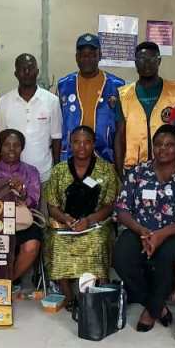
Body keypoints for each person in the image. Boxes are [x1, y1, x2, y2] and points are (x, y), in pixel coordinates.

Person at [114, 125, 175, 332]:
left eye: (169, 145)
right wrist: (141, 231)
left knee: (167, 256)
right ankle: (157, 305)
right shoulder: (138, 172)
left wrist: (161, 234)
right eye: (159, 144)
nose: (163, 149)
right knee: (121, 256)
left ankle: (150, 311)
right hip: (141, 230)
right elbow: (122, 209)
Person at [43, 125, 118, 309]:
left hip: (95, 223)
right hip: (66, 224)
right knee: (56, 241)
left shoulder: (106, 169)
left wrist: (89, 220)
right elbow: (52, 206)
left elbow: (109, 206)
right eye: (77, 142)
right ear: (70, 144)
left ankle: (97, 293)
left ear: (94, 144)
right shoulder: (59, 170)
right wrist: (66, 219)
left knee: (98, 240)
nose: (81, 147)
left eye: (87, 142)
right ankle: (68, 295)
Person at [114, 41, 175, 174]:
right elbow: (119, 136)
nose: (146, 63)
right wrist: (119, 172)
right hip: (133, 169)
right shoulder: (123, 94)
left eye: (151, 59)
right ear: (135, 63)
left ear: (159, 61)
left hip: (170, 167)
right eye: (141, 59)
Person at [0, 130, 43, 282]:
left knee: (31, 246)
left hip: (23, 221)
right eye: (7, 145)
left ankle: (8, 281)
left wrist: (22, 193)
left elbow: (34, 200)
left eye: (16, 145)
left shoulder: (31, 171)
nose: (12, 149)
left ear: (22, 148)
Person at [56, 34, 125, 163]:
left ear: (100, 56)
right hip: (70, 158)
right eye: (83, 55)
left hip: (105, 158)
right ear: (77, 57)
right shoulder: (63, 85)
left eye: (92, 55)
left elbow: (121, 129)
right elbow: (57, 127)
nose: (87, 59)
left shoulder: (116, 85)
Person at [0, 53, 62, 183]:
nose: (27, 72)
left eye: (30, 68)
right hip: (12, 177)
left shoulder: (52, 101)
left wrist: (56, 170)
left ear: (37, 72)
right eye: (22, 69)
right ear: (16, 74)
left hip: (44, 174)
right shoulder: (4, 102)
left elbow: (56, 138)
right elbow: (1, 140)